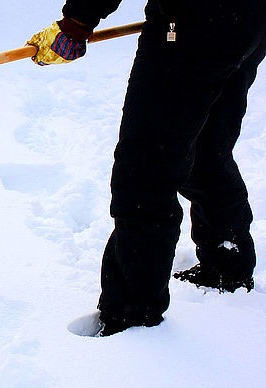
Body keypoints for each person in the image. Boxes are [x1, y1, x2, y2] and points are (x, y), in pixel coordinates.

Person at [27, 0, 266, 336]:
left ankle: (131, 314)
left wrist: (77, 21)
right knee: (206, 150)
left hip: (189, 26)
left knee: (147, 167)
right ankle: (228, 267)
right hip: (249, 22)